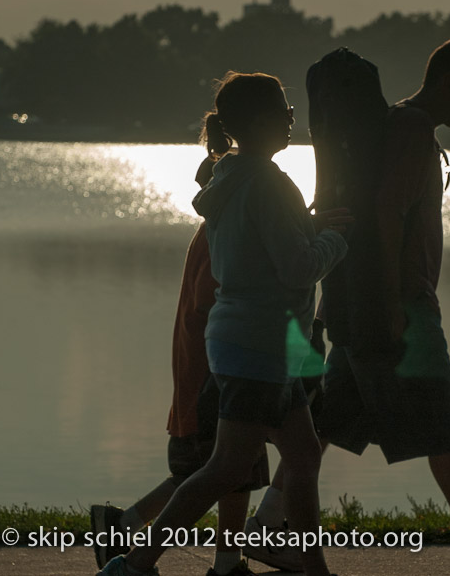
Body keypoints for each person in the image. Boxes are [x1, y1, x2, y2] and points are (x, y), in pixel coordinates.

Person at [247, 38, 450, 576]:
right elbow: (386, 213)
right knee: (442, 417)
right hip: (402, 306)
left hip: (357, 300)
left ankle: (269, 523)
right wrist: (389, 303)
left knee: (327, 421)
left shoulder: (396, 126)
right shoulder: (412, 132)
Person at [97, 72, 351, 576]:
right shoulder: (269, 183)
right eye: (286, 111)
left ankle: (313, 568)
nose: (292, 119)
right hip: (259, 344)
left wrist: (312, 229)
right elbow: (297, 268)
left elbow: (265, 248)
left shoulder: (230, 178)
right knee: (226, 468)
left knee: (301, 456)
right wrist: (338, 240)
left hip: (250, 342)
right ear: (260, 122)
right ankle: (133, 564)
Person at [90, 143, 268, 576]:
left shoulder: (209, 234)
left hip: (202, 368)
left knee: (218, 469)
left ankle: (132, 525)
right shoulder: (218, 240)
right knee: (225, 468)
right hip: (217, 370)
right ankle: (205, 559)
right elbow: (213, 304)